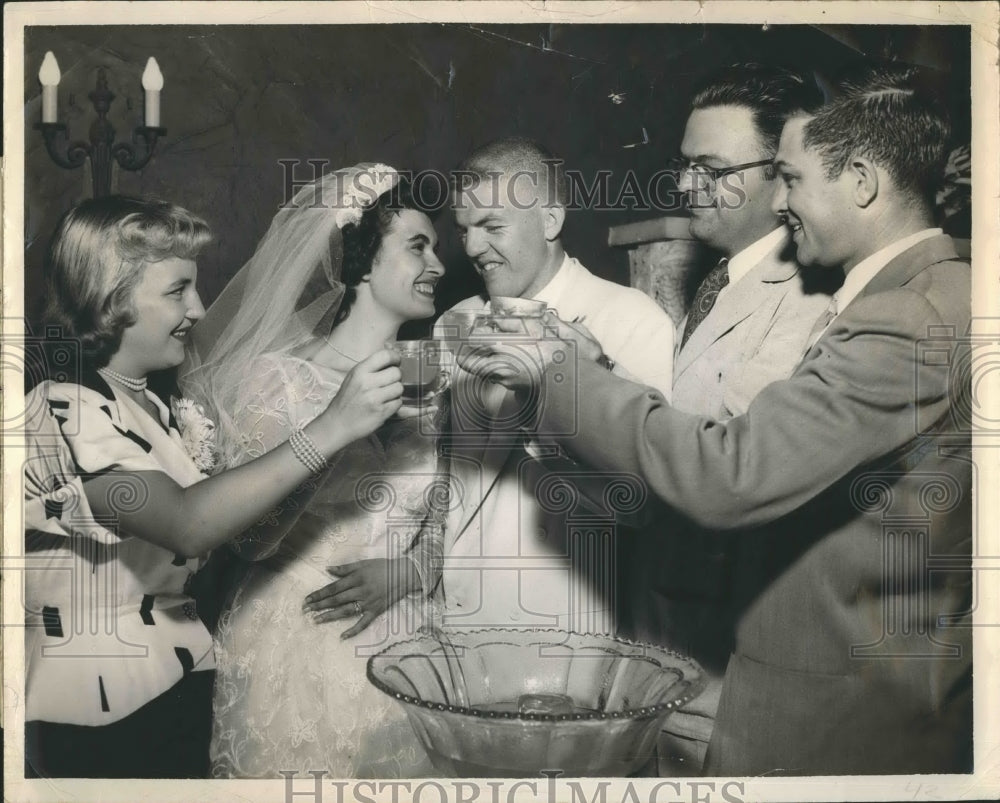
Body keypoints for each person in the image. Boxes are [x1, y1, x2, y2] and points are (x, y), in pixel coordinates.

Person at [465, 64, 972, 775]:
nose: (785, 204)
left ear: (860, 182)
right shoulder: (897, 296)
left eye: (793, 180)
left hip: (817, 697)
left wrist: (560, 372)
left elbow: (731, 468)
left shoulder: (906, 312)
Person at [23, 195, 407, 778]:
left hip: (175, 678)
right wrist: (329, 428)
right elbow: (186, 522)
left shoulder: (152, 405)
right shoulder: (64, 409)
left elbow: (234, 534)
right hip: (98, 699)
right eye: (177, 291)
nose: (199, 308)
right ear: (111, 297)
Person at [182, 164, 445, 778]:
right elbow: (246, 541)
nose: (437, 264)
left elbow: (455, 515)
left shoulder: (440, 382)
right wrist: (335, 429)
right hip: (295, 639)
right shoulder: (274, 379)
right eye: (417, 246)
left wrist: (414, 567)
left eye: (435, 248)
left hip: (411, 648)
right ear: (360, 261)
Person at [627, 64, 834, 775]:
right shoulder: (718, 277)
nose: (686, 187)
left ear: (783, 177)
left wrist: (587, 389)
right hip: (671, 626)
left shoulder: (806, 296)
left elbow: (731, 461)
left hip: (729, 643)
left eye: (711, 168)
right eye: (683, 165)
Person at [438, 138, 676, 636]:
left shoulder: (630, 320)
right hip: (449, 613)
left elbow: (642, 500)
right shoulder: (454, 323)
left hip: (561, 621)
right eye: (464, 230)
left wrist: (557, 387)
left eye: (491, 226)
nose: (473, 248)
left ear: (549, 220)